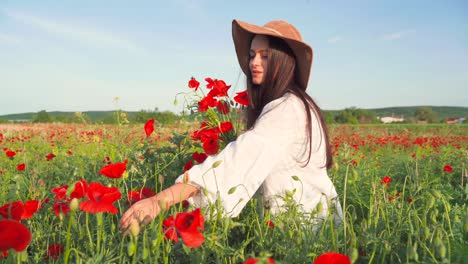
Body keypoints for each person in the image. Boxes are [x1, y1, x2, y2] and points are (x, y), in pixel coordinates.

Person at [119, 19, 342, 232]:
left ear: (284, 61)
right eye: (252, 55)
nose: (254, 62)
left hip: (305, 232)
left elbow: (234, 162)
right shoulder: (297, 104)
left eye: (265, 56)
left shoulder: (286, 110)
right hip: (313, 227)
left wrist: (159, 201)